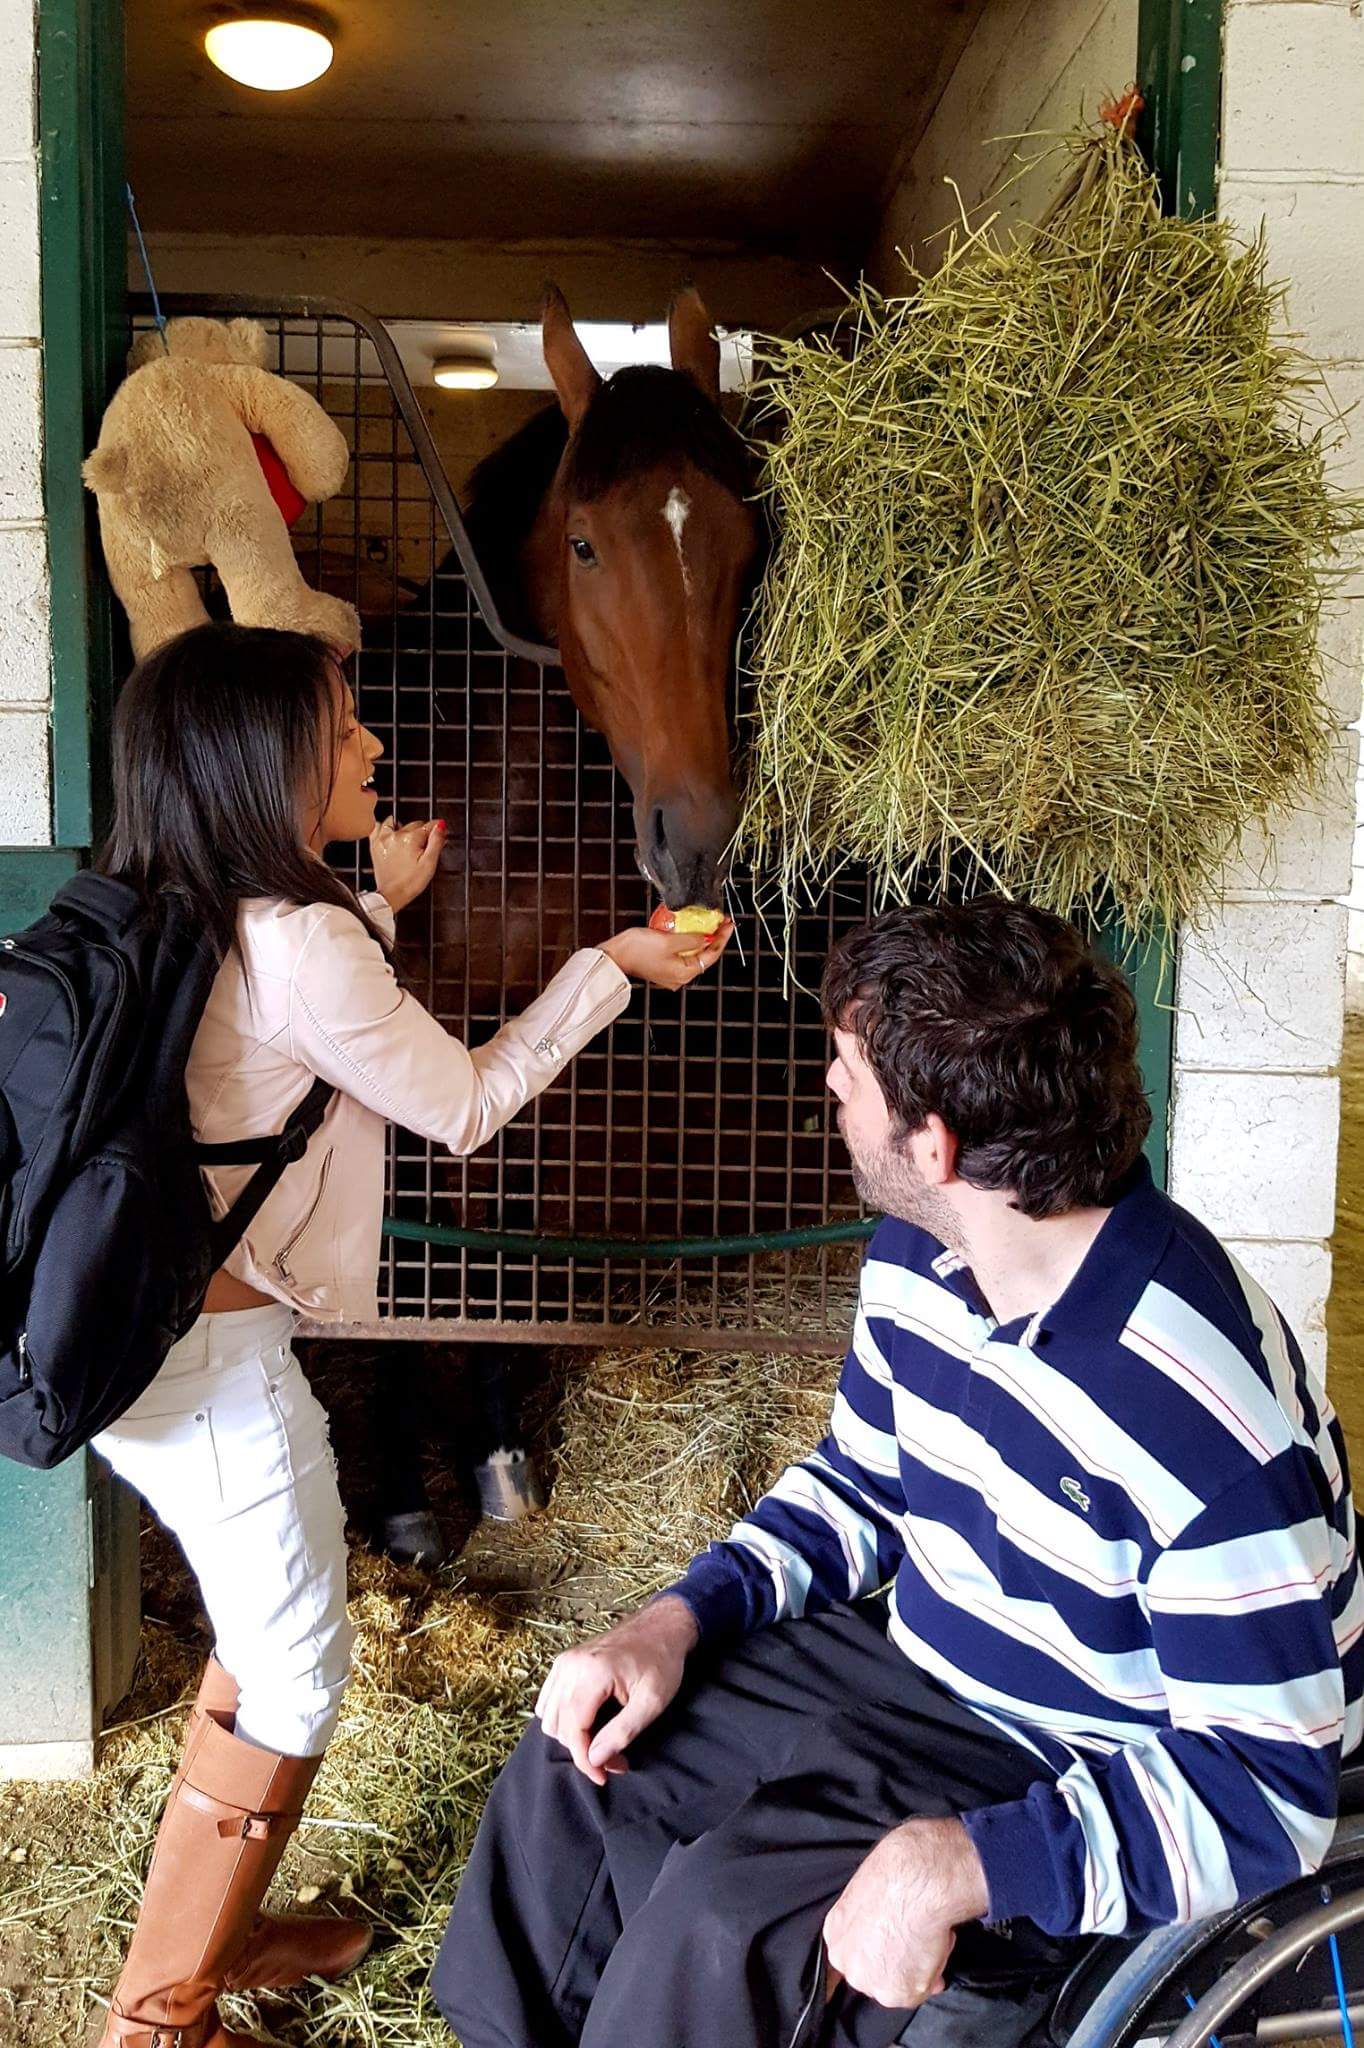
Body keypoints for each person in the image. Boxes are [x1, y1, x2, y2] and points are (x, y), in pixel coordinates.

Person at [434, 897, 1362, 2048]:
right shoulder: (930, 1250)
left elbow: (1267, 1792)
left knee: (723, 1923)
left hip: (1077, 1742)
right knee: (576, 1771)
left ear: (935, 1146)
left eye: (847, 1068)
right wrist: (677, 1617)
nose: (827, 1085)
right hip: (928, 1656)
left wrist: (967, 1859)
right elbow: (863, 1485)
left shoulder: (1192, 1413)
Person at [88, 620, 732, 2048]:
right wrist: (613, 963)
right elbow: (466, 1103)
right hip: (213, 1373)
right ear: (272, 764)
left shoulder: (172, 893)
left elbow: (282, 1030)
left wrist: (376, 907)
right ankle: (161, 2014)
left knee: (272, 1631)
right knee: (305, 1666)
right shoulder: (309, 939)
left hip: (154, 1347)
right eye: (345, 728)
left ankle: (223, 1930)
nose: (375, 745)